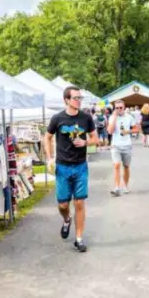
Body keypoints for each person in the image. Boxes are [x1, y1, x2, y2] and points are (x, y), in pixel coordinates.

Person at [45, 87, 99, 252]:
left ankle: (79, 238)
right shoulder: (57, 118)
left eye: (80, 98)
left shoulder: (86, 118)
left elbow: (96, 139)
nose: (79, 101)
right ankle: (67, 219)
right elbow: (47, 137)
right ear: (66, 100)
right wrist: (49, 158)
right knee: (63, 204)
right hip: (62, 167)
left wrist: (85, 143)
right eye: (76, 98)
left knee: (80, 202)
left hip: (80, 166)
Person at [108, 100, 139, 196]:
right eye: (116, 108)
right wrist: (114, 118)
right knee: (116, 165)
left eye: (120, 107)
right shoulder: (112, 117)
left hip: (127, 145)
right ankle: (117, 187)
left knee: (126, 167)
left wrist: (128, 131)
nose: (119, 109)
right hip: (115, 145)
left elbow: (136, 129)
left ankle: (125, 185)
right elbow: (110, 131)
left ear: (124, 108)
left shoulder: (129, 117)